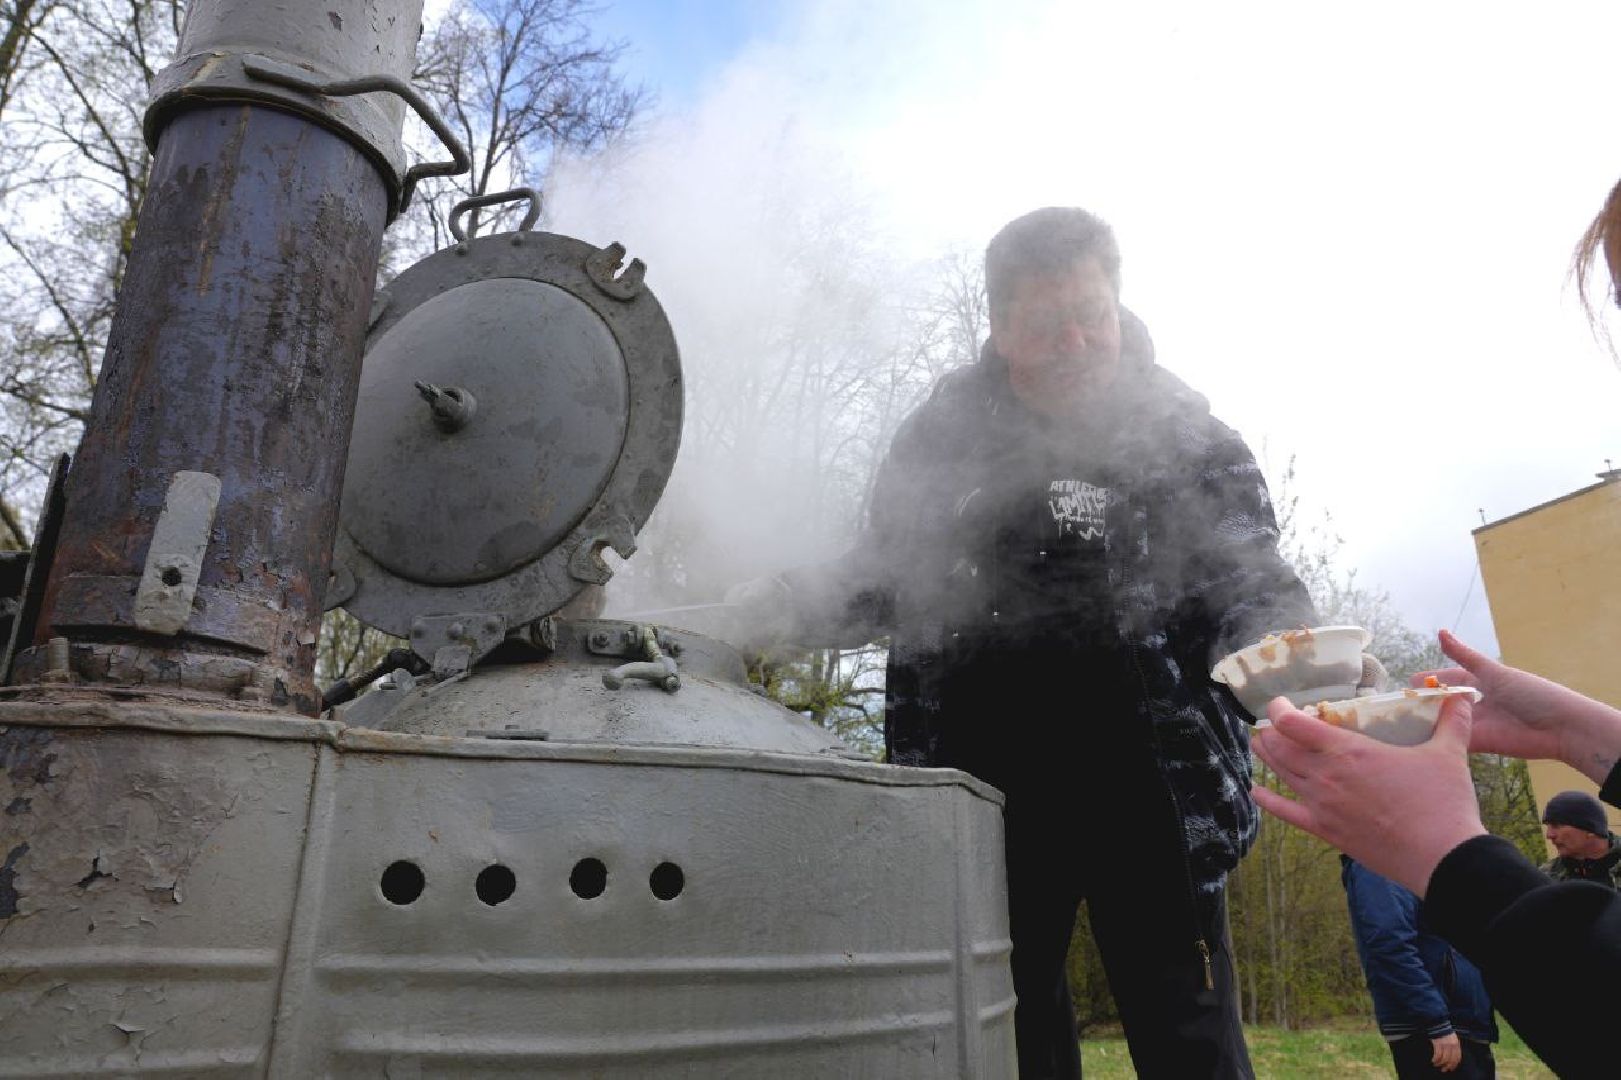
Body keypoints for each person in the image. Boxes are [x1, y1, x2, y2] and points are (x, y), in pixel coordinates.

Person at [733, 207, 1321, 1078]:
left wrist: (1289, 654)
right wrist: (770, 610)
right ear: (1001, 329)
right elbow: (885, 571)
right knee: (1010, 1044)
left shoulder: (1190, 436)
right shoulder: (941, 439)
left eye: (1095, 315)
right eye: (1047, 325)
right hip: (983, 799)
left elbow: (1246, 577)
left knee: (1191, 1041)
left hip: (1158, 797)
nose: (1077, 341)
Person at [1251, 628, 1621, 1078]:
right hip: (1439, 1025)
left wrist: (1452, 852)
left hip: (1465, 1020)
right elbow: (1388, 939)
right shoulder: (1372, 859)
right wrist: (1575, 731)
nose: (1551, 836)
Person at [1340, 856, 1497, 1077]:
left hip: (1459, 1024)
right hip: (1432, 1030)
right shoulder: (1379, 862)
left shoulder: (1414, 858)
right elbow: (1390, 944)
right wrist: (1436, 1022)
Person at [1540, 790, 1621, 887]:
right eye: (1548, 826)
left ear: (1590, 830)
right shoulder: (1546, 879)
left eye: (1556, 825)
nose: (1549, 835)